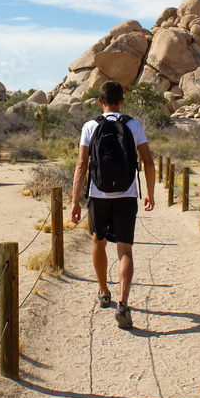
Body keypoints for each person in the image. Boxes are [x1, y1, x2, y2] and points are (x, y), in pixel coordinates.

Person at [70, 80, 156, 329]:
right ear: (122, 101)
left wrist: (76, 201)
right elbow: (148, 162)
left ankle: (103, 291)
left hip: (98, 195)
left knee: (99, 241)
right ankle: (123, 304)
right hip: (127, 195)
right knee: (125, 250)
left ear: (100, 101)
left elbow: (81, 165)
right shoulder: (134, 125)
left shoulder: (89, 126)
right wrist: (149, 193)